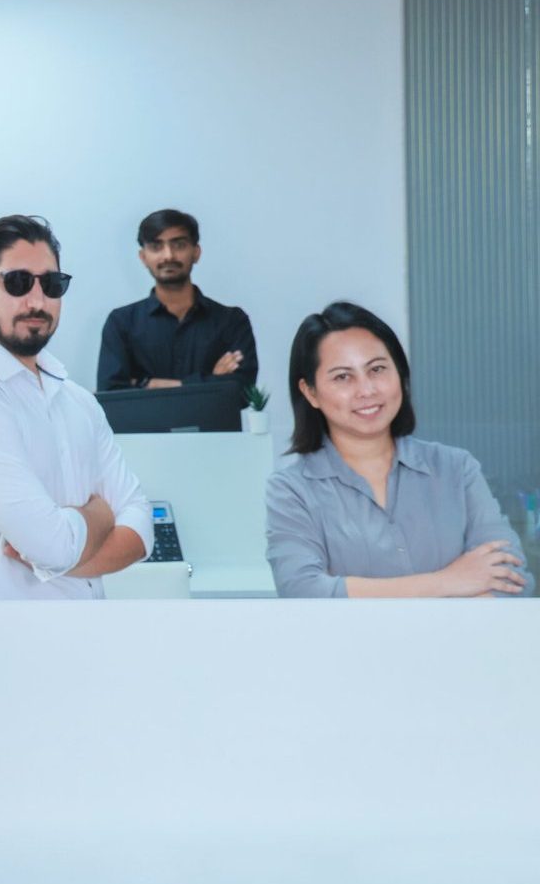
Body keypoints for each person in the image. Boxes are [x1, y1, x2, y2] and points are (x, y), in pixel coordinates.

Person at [0, 214, 154, 600]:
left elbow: (141, 525)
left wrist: (68, 554)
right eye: (17, 282)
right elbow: (54, 546)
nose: (37, 300)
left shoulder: (78, 400)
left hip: (91, 636)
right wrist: (99, 516)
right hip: (8, 645)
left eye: (51, 284)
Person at [265, 301, 532, 598]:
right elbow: (303, 591)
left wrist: (353, 593)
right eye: (343, 377)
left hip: (459, 646)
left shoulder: (456, 469)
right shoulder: (292, 490)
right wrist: (447, 582)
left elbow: (513, 579)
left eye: (377, 369)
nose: (367, 390)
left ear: (400, 375)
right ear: (310, 392)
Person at [97, 208, 258, 393]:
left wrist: (146, 384)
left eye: (179, 245)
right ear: (143, 257)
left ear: (196, 252)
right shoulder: (122, 322)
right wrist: (212, 382)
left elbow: (243, 391)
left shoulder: (231, 321)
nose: (168, 256)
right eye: (156, 246)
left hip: (216, 424)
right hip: (148, 424)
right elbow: (111, 393)